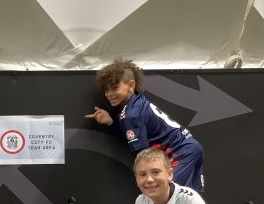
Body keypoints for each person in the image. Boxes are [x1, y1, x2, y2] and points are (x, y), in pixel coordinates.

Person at [85, 58, 205, 193]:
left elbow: (143, 154)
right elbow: (131, 135)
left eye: (115, 88)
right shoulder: (137, 101)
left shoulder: (131, 114)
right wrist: (110, 122)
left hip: (180, 153)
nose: (109, 94)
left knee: (168, 196)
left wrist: (145, 179)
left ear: (131, 85)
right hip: (189, 147)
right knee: (187, 198)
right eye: (106, 90)